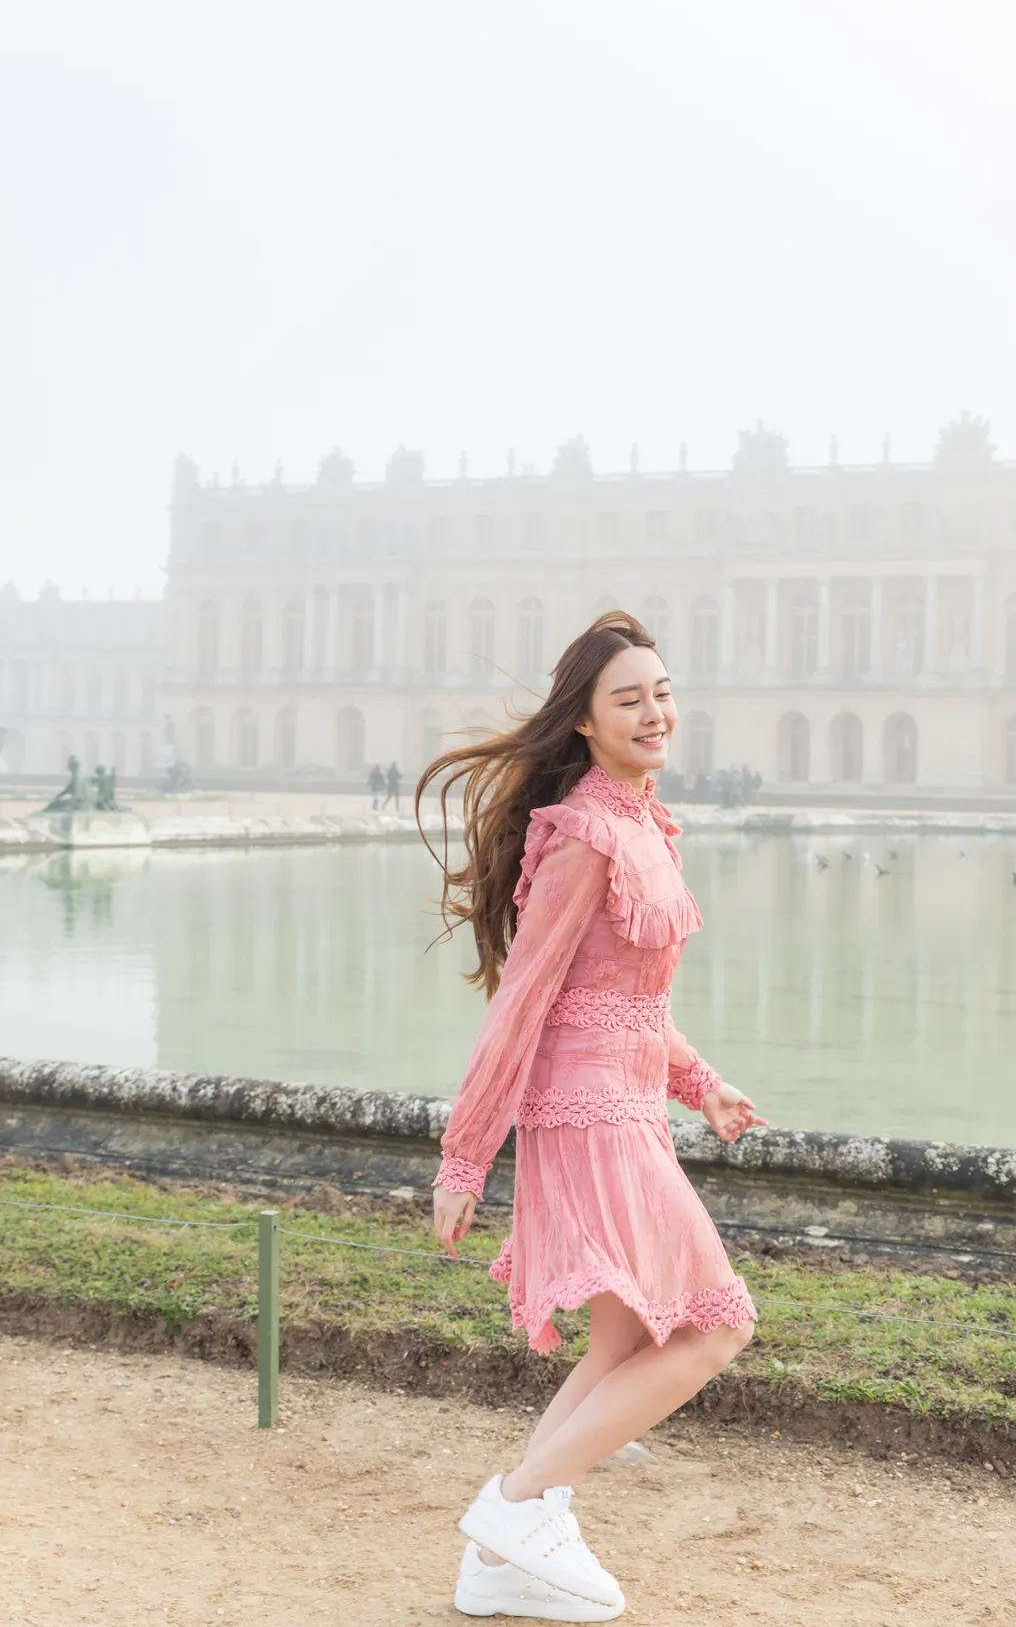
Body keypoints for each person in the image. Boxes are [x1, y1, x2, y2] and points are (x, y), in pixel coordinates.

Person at [418, 610, 764, 1623]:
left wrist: (700, 1081)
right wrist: (462, 1159)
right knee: (714, 1325)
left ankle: (498, 1564)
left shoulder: (645, 823)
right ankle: (516, 1505)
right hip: (585, 1115)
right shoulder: (580, 835)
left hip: (630, 1108)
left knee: (622, 1347)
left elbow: (628, 1000)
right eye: (630, 698)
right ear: (584, 722)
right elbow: (526, 1001)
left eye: (662, 692)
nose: (655, 711)